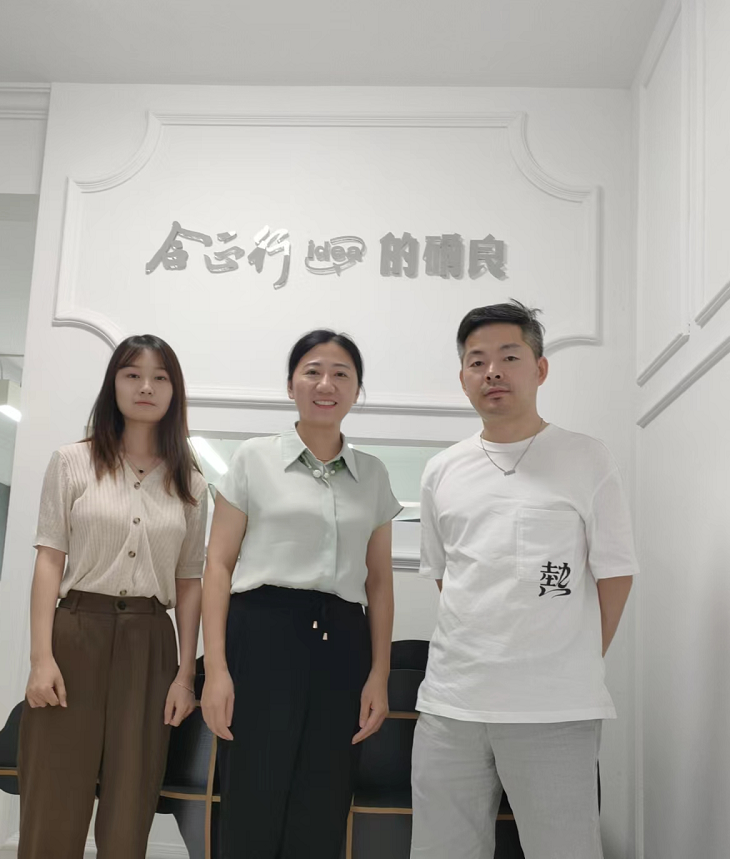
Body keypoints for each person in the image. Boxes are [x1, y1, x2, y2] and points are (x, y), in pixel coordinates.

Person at [411, 302, 639, 859]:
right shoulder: (442, 470)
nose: (492, 371)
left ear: (539, 368)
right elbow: (449, 578)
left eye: (509, 357)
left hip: (554, 710)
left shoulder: (586, 458)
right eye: (477, 361)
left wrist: (570, 656)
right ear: (463, 377)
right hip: (452, 707)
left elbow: (614, 576)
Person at [201, 329, 402, 859]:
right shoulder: (253, 458)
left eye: (341, 374)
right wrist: (216, 670)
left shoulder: (373, 474)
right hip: (262, 632)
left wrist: (379, 673)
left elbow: (379, 582)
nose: (325, 384)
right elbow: (218, 566)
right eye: (312, 371)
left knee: (325, 794)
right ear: (291, 384)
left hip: (344, 641)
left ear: (356, 389)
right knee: (252, 791)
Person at [17, 335, 207, 859]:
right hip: (77, 632)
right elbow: (49, 560)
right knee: (54, 795)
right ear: (113, 384)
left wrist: (184, 675)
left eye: (160, 377)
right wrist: (41, 659)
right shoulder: (72, 462)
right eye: (132, 374)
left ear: (174, 391)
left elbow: (190, 581)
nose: (146, 387)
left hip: (151, 642)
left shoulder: (190, 481)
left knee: (131, 803)